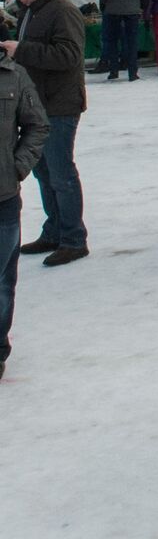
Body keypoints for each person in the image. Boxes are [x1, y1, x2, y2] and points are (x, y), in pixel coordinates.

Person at [3, 0, 89, 267]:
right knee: (44, 173)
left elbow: (69, 56)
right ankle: (54, 231)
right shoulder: (33, 10)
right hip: (37, 106)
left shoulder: (63, 10)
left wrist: (21, 50)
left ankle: (73, 239)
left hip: (59, 105)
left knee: (61, 173)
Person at [0, 46, 49, 380]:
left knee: (2, 280)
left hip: (3, 197)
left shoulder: (14, 75)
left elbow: (37, 125)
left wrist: (16, 167)